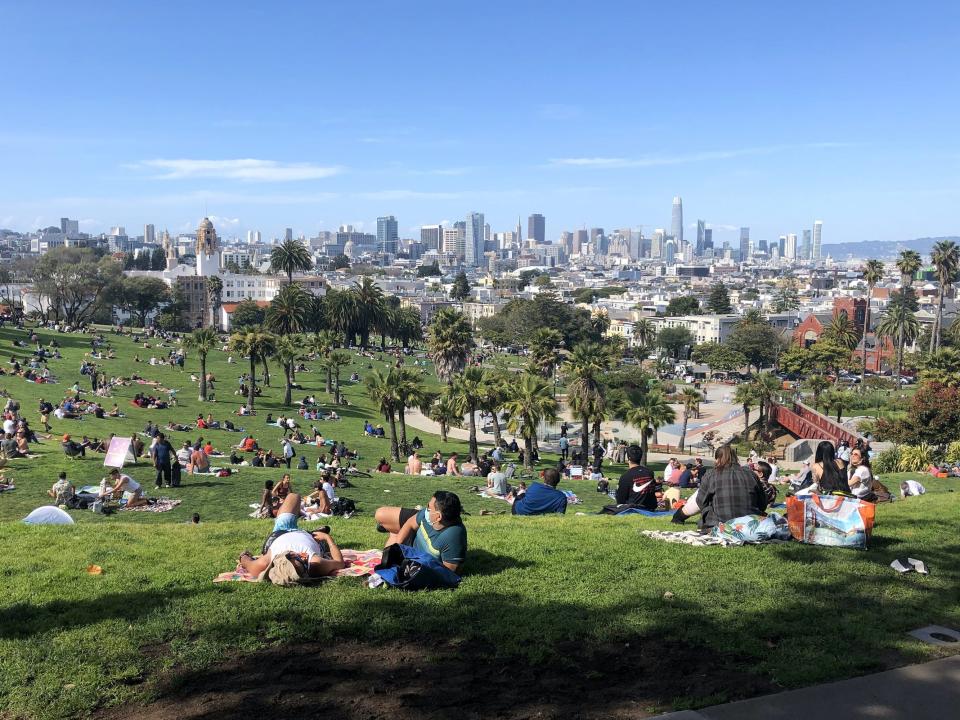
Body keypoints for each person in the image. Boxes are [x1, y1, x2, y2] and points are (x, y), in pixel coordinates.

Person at [239, 493, 346, 582]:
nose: (293, 553)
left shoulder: (263, 563)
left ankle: (311, 529)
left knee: (293, 496)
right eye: (296, 557)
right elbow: (340, 563)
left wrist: (243, 556)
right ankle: (314, 533)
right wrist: (327, 538)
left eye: (288, 556)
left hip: (279, 533)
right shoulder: (315, 564)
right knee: (320, 542)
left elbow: (245, 560)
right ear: (304, 567)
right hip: (309, 538)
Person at [672, 445, 767, 530]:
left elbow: (700, 502)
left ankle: (677, 517)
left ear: (717, 459)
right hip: (751, 525)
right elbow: (762, 504)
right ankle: (678, 516)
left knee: (703, 497)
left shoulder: (711, 474)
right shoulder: (751, 474)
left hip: (719, 525)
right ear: (735, 458)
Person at [373, 491, 467, 573]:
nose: (426, 509)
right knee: (381, 514)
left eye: (429, 508)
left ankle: (391, 530)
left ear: (438, 516)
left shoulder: (453, 537)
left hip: (416, 553)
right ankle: (391, 529)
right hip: (414, 536)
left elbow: (449, 573)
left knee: (386, 562)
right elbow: (410, 524)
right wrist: (396, 547)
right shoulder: (427, 515)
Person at [607, 444, 658, 512]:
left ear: (629, 458)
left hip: (635, 510)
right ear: (641, 457)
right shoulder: (650, 472)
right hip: (650, 508)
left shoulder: (626, 476)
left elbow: (620, 501)